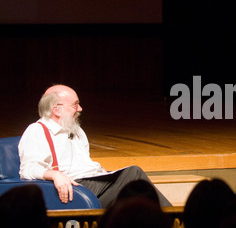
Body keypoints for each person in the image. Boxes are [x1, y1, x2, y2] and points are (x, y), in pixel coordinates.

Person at [18, 84, 171, 208]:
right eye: (75, 105)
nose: (80, 109)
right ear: (57, 110)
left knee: (135, 195)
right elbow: (28, 169)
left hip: (93, 184)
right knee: (132, 173)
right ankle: (173, 220)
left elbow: (86, 164)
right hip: (75, 187)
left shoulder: (76, 130)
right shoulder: (37, 131)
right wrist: (56, 175)